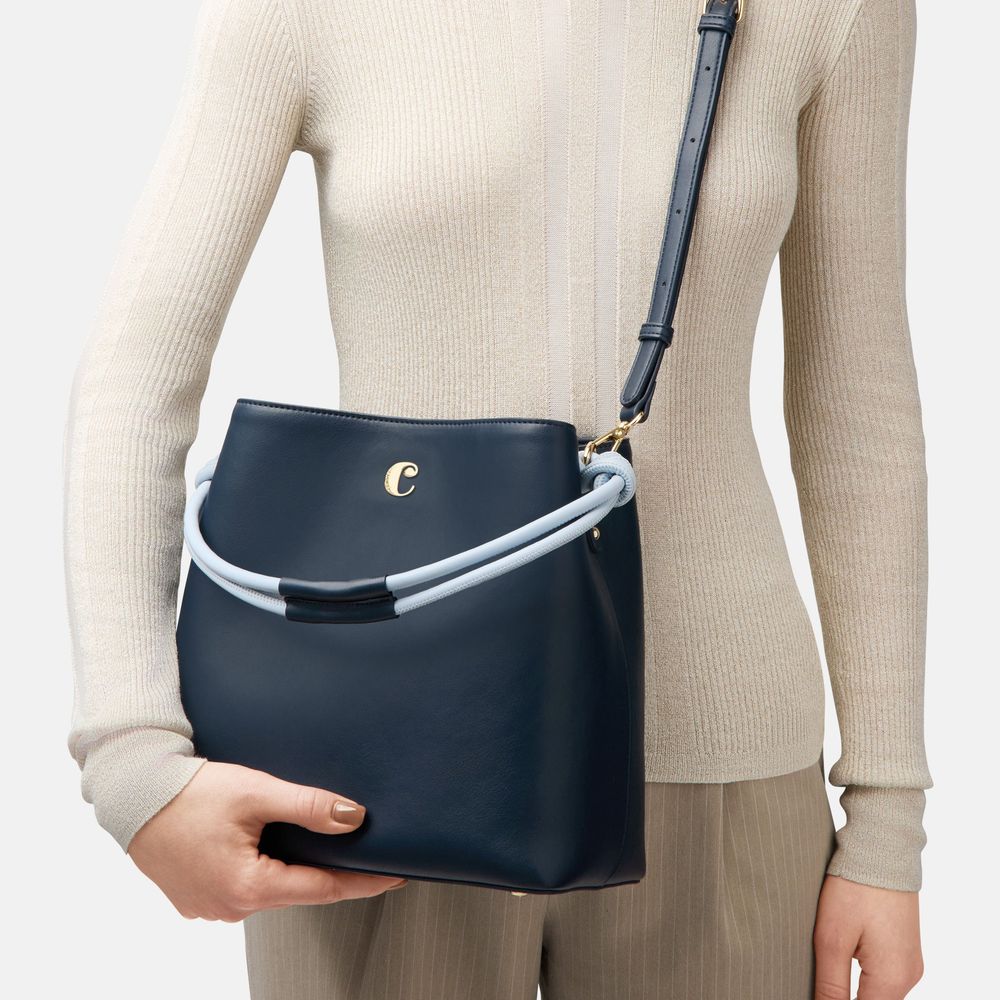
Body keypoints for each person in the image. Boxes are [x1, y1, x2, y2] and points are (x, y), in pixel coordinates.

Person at [63, 0, 930, 997]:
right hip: (371, 770)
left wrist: (887, 823)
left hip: (722, 763)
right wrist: (134, 763)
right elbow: (138, 373)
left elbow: (856, 401)